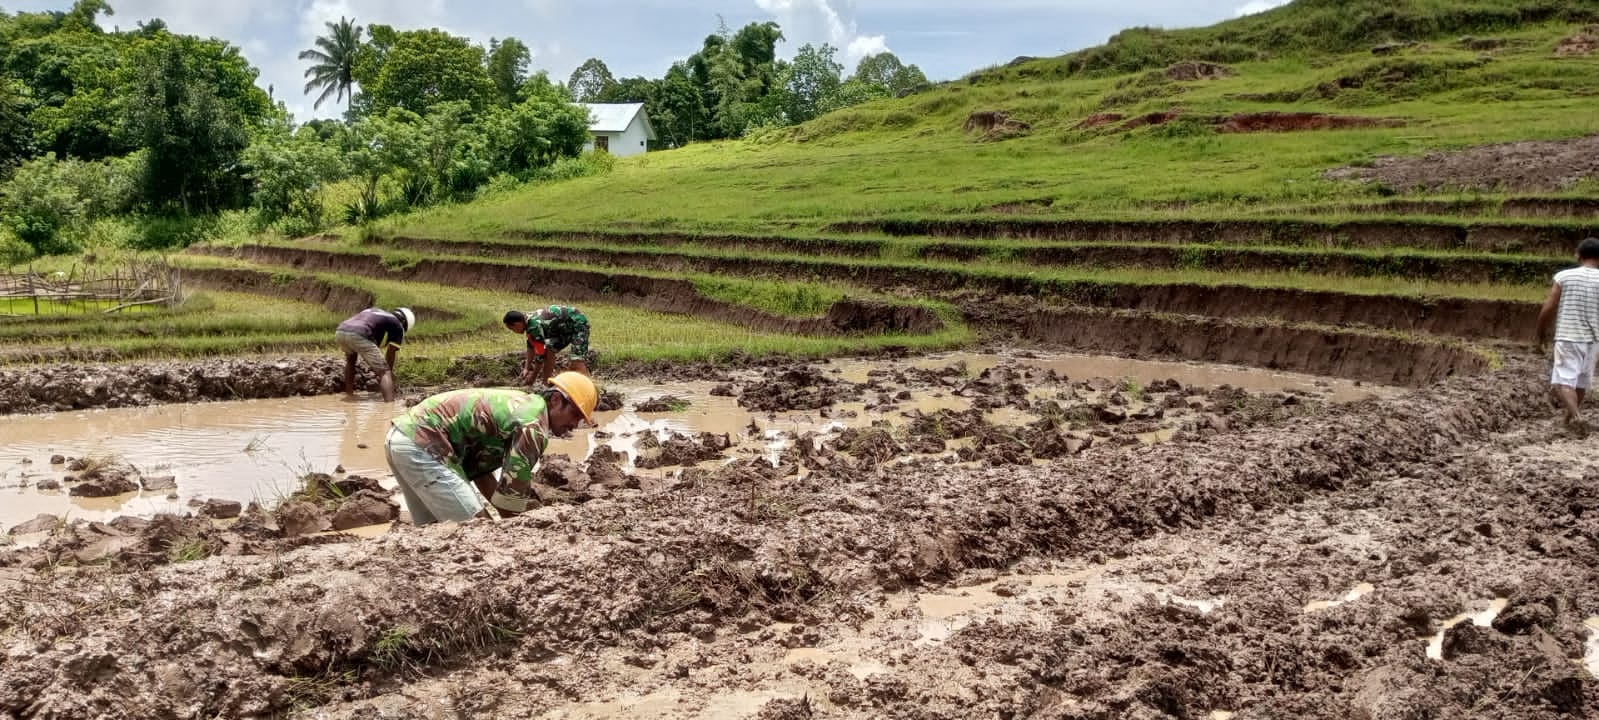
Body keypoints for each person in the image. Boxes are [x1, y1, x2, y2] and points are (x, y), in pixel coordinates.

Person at [384, 372, 598, 525]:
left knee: (432, 530)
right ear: (556, 399)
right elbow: (510, 499)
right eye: (576, 415)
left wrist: (505, 519)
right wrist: (517, 536)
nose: (575, 424)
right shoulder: (534, 427)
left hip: (401, 439)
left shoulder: (524, 406)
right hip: (423, 445)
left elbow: (482, 474)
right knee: (479, 532)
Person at [1537, 237, 1599, 435]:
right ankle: (1568, 419)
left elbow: (1549, 306)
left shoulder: (1564, 276)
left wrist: (1540, 331)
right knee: (1580, 383)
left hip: (1568, 336)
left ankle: (1579, 419)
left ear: (1578, 255)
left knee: (1564, 382)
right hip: (1593, 340)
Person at [336, 307, 414, 402]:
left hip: (341, 331)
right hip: (359, 333)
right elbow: (391, 352)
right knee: (385, 372)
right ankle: (389, 406)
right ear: (404, 322)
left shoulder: (376, 311)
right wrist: (388, 375)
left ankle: (349, 394)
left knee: (351, 361)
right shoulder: (398, 325)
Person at [503, 305, 593, 383]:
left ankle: (592, 388)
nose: (514, 332)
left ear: (517, 324)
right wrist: (526, 368)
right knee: (550, 348)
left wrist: (532, 378)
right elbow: (531, 346)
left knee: (576, 362)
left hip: (577, 324)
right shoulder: (526, 320)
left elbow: (540, 356)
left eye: (512, 329)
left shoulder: (534, 327)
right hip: (563, 329)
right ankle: (546, 382)